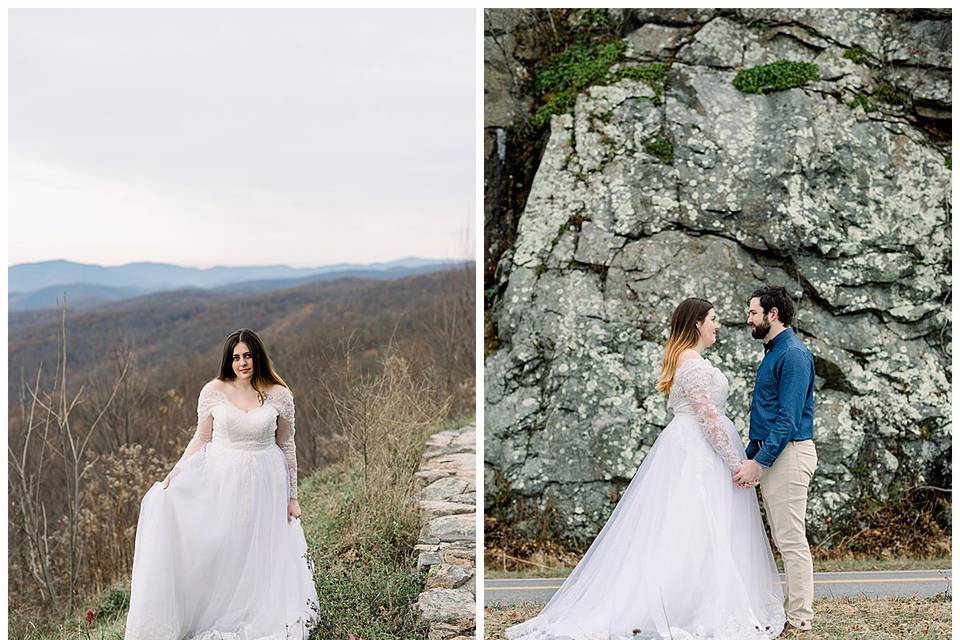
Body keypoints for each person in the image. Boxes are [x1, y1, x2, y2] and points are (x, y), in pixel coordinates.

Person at [505, 298, 785, 640]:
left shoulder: (686, 359)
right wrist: (737, 464)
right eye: (713, 319)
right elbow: (708, 418)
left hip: (691, 447)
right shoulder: (693, 363)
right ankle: (692, 604)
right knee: (703, 527)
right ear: (697, 323)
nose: (718, 325)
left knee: (694, 530)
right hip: (699, 452)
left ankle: (694, 599)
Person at [125, 328, 319, 640]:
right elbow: (202, 437)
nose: (242, 362)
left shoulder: (279, 394)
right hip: (223, 477)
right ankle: (217, 608)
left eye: (247, 356)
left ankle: (259, 608)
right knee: (225, 543)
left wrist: (292, 496)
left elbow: (287, 445)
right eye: (236, 357)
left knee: (260, 549)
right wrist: (176, 473)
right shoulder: (213, 391)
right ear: (228, 361)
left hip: (267, 480)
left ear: (258, 357)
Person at [736, 286, 818, 634]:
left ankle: (800, 617)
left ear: (773, 314)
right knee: (784, 538)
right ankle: (793, 613)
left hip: (790, 454)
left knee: (790, 539)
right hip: (775, 454)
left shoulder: (794, 355)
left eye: (753, 312)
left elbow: (787, 418)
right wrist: (749, 457)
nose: (748, 318)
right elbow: (769, 416)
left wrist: (760, 462)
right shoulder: (774, 352)